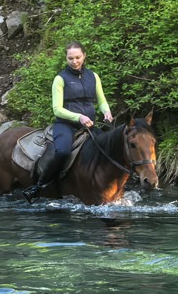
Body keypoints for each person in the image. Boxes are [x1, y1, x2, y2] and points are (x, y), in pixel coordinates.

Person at [26, 42, 114, 200]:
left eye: (78, 57)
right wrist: (78, 116)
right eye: (70, 58)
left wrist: (106, 111)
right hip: (66, 125)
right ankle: (39, 186)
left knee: (109, 147)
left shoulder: (93, 76)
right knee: (63, 152)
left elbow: (101, 101)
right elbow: (57, 109)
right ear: (66, 58)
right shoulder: (60, 79)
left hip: (89, 126)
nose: (75, 61)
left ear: (84, 56)